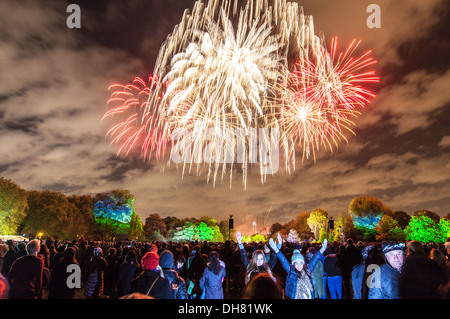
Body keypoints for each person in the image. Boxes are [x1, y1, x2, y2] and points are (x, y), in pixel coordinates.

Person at [269, 234, 327, 299]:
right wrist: (276, 250)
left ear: (303, 263)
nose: (299, 266)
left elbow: (314, 260)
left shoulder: (307, 270)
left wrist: (321, 250)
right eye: (296, 263)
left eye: (300, 263)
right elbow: (283, 260)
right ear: (293, 264)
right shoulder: (291, 271)